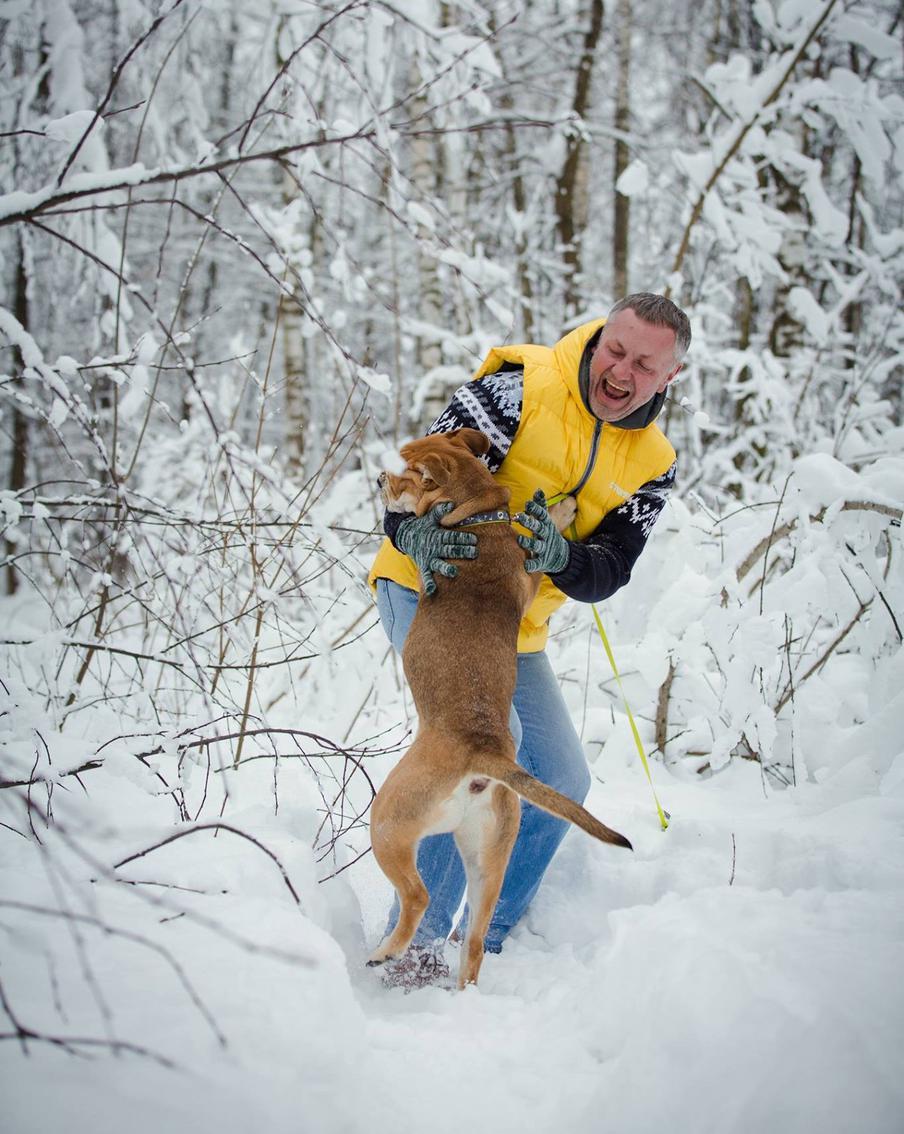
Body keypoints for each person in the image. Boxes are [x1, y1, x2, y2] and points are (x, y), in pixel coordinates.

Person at [367, 293, 691, 986]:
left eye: (643, 364)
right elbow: (411, 478)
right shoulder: (516, 390)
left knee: (563, 774)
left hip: (510, 625)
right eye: (615, 349)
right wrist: (411, 533)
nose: (621, 370)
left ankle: (493, 932)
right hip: (427, 587)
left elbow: (611, 568)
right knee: (484, 739)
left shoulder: (653, 463)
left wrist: (560, 559)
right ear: (599, 338)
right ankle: (418, 949)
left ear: (669, 379)